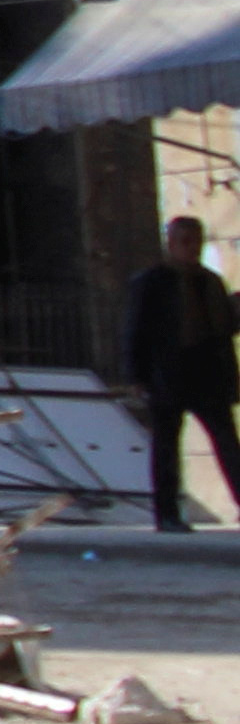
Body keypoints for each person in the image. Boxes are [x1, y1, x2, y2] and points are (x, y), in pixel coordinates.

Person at [119, 215, 240, 531]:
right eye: (185, 242)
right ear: (171, 244)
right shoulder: (151, 281)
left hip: (207, 373)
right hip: (168, 374)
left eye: (196, 242)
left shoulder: (210, 282)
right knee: (166, 448)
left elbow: (223, 328)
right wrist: (136, 376)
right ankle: (168, 514)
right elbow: (136, 329)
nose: (192, 249)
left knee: (227, 442)